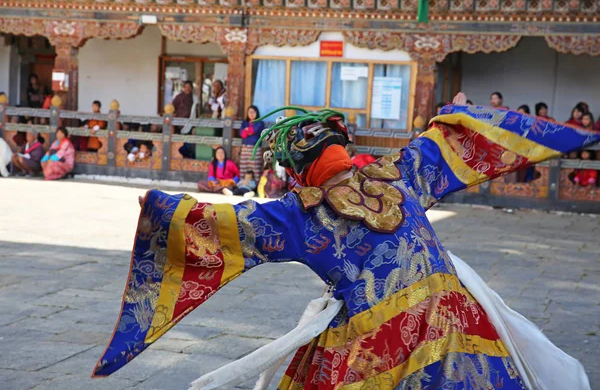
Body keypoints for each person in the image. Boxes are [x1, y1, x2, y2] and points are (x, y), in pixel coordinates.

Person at [94, 94, 598, 390]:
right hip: (455, 321)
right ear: (341, 148)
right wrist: (571, 136)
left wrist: (160, 208)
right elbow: (451, 132)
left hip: (382, 339)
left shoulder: (302, 215)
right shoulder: (403, 174)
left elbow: (221, 225)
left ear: (296, 173)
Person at [239, 105, 265, 174]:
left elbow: (254, 130)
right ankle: (243, 183)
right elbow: (242, 134)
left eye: (253, 112)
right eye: (249, 112)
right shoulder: (244, 123)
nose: (251, 113)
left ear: (257, 113)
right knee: (244, 166)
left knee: (255, 167)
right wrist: (247, 131)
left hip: (255, 147)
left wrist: (247, 130)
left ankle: (256, 183)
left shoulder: (260, 123)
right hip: (245, 147)